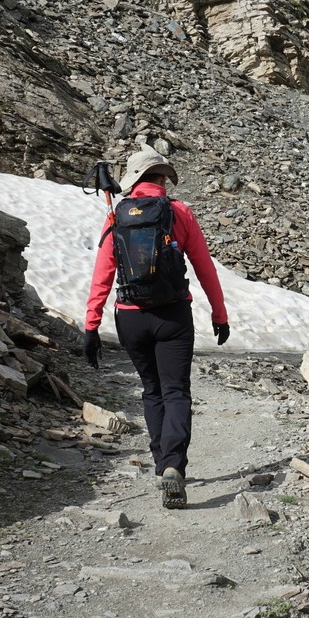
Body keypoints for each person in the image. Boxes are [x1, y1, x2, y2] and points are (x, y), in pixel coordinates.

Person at [81, 148, 230, 509]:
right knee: (176, 391)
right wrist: (219, 314)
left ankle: (161, 460)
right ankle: (173, 466)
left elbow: (103, 274)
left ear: (132, 180)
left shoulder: (117, 216)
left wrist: (91, 326)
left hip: (130, 316)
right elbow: (204, 267)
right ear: (163, 179)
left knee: (151, 390)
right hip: (173, 314)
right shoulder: (179, 212)